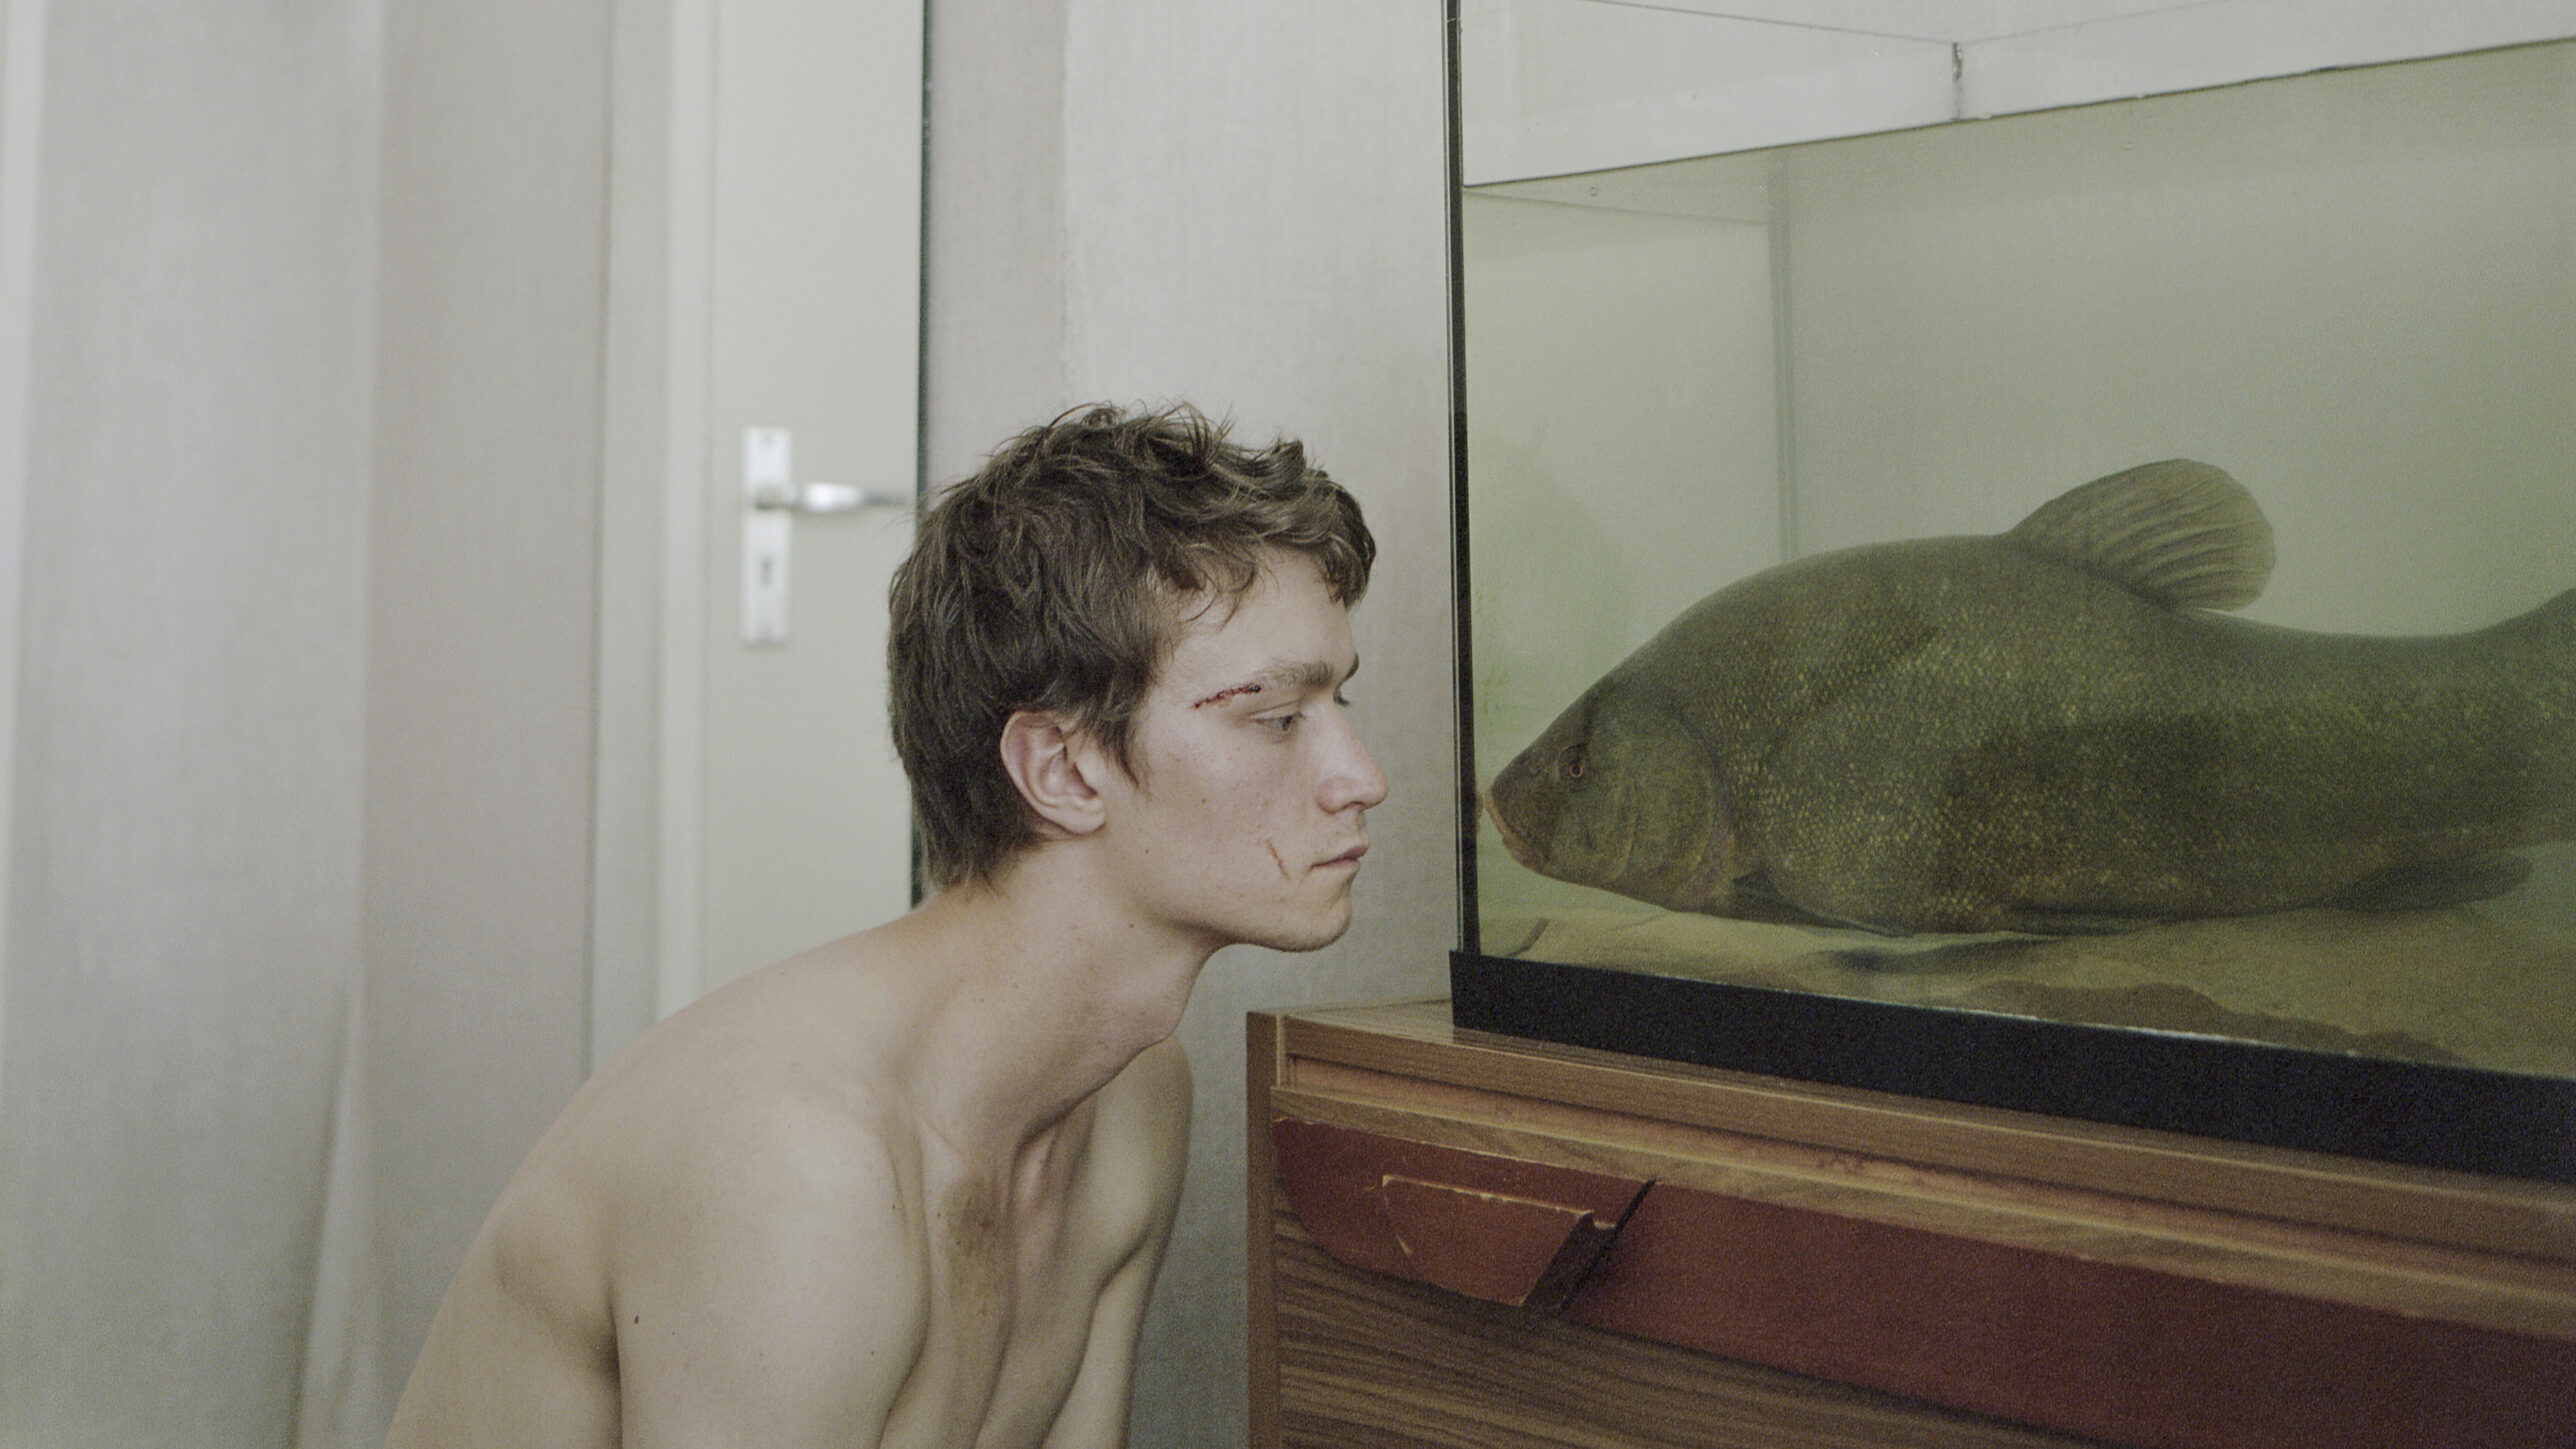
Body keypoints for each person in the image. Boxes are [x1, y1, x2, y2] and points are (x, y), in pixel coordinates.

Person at [382, 402, 1387, 1447]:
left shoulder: (1132, 1095)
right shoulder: (797, 1167)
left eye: (1340, 706)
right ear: (1061, 768)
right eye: (1277, 718)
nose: (1362, 777)